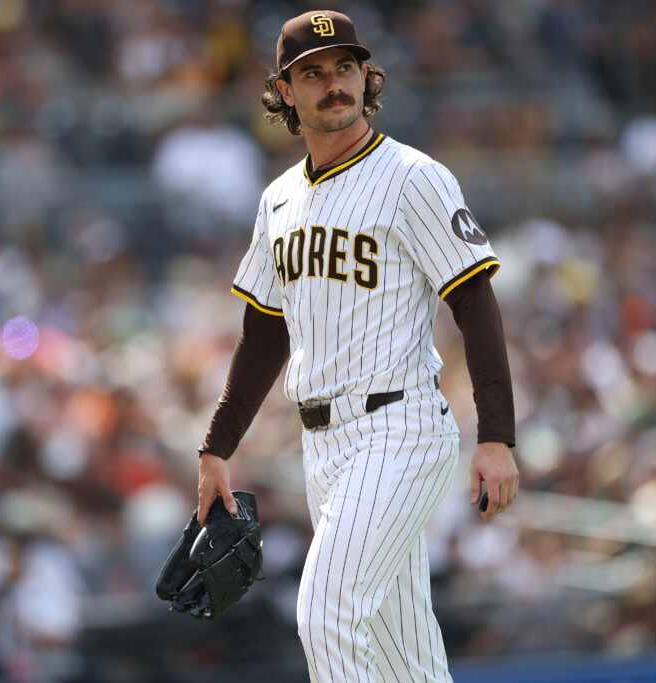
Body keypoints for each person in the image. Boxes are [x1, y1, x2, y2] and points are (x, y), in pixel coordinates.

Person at [195, 10, 519, 682]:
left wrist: (497, 434)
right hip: (325, 447)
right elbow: (264, 335)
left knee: (325, 612)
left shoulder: (412, 177)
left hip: (398, 428)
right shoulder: (279, 200)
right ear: (285, 90)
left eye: (345, 67)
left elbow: (474, 303)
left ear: (366, 75)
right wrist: (216, 447)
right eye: (312, 73)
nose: (333, 83)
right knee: (403, 654)